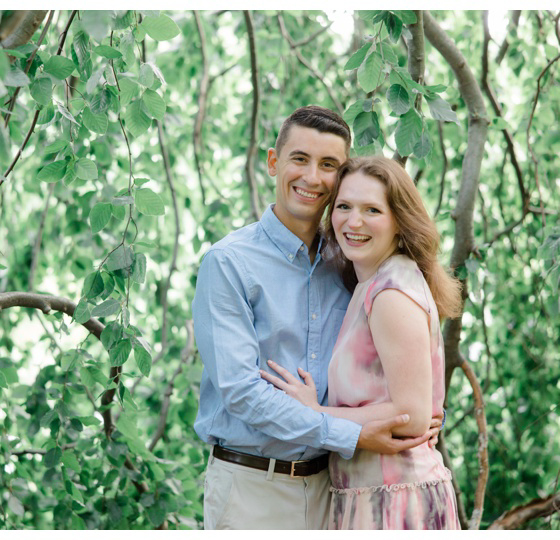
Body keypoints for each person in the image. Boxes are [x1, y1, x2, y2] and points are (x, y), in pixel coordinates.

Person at [192, 107, 442, 530]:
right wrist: (356, 433)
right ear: (274, 162)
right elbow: (241, 392)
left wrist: (412, 409)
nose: (312, 177)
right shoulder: (229, 263)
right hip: (254, 486)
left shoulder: (351, 259)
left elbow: (390, 362)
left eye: (328, 165)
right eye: (299, 159)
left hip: (336, 491)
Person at [261, 156, 463, 529]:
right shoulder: (368, 282)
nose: (354, 222)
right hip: (370, 495)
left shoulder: (390, 293)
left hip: (398, 500)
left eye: (372, 209)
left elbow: (413, 417)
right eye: (344, 207)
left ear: (399, 221)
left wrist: (313, 412)